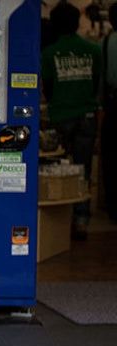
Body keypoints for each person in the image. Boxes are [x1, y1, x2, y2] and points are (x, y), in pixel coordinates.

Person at [42, 1, 101, 239]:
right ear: (77, 23)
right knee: (82, 169)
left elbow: (49, 87)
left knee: (56, 169)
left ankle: (57, 222)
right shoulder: (93, 50)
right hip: (86, 115)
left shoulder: (48, 53)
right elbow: (96, 83)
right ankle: (81, 218)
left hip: (60, 115)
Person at [101, 3, 117, 221]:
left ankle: (113, 208)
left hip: (114, 104)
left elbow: (103, 80)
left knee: (111, 158)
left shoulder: (107, 43)